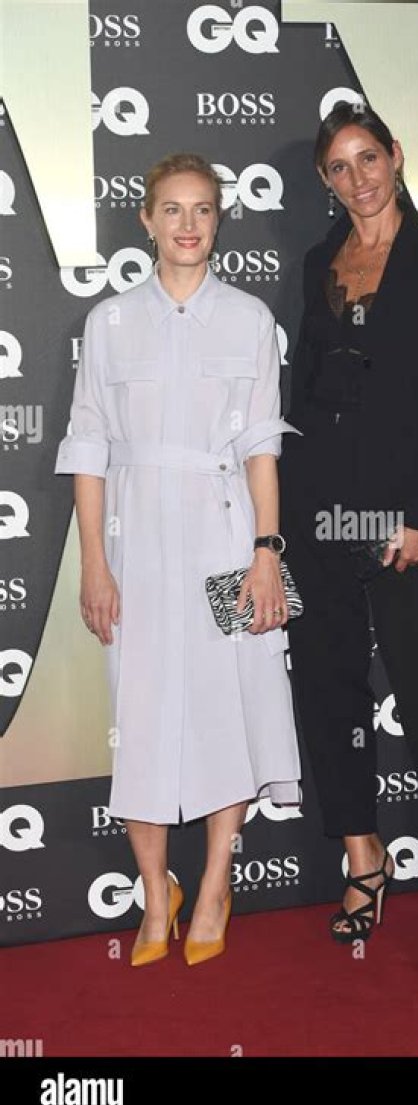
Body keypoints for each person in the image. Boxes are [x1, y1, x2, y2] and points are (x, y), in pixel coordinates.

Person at [55, 152, 301, 967]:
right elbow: (88, 448)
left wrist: (266, 554)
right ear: (147, 219)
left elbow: (262, 448)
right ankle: (155, 891)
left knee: (232, 701)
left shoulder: (250, 318)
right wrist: (95, 563)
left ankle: (217, 882)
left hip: (228, 535)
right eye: (172, 209)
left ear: (219, 219)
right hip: (137, 544)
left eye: (202, 209)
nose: (188, 225)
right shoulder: (109, 322)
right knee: (143, 712)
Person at [280, 102, 418, 981]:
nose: (358, 178)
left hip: (398, 517)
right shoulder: (317, 262)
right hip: (316, 510)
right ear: (325, 179)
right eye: (339, 166)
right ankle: (364, 859)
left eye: (368, 158)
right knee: (328, 690)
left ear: (396, 157)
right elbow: (302, 396)